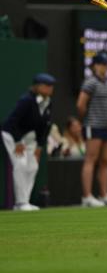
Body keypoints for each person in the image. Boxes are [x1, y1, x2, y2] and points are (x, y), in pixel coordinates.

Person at [0, 73, 55, 211]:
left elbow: (46, 126)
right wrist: (18, 142)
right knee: (20, 164)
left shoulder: (49, 102)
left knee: (33, 167)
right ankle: (20, 203)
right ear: (38, 86)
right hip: (13, 135)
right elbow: (13, 122)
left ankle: (25, 201)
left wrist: (40, 146)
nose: (50, 89)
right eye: (47, 86)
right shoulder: (26, 100)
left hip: (31, 138)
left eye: (51, 86)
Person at [77, 52, 107, 207]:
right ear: (95, 65)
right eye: (103, 64)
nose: (106, 67)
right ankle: (87, 197)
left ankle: (104, 195)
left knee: (105, 161)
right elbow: (80, 105)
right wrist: (87, 121)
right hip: (93, 125)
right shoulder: (90, 82)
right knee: (90, 159)